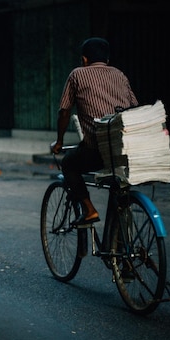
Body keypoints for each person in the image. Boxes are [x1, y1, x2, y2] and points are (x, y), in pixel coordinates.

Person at [50, 37, 137, 225]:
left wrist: (59, 142)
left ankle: (89, 210)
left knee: (69, 164)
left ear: (84, 59)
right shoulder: (119, 74)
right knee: (119, 184)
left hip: (97, 151)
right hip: (126, 149)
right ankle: (120, 246)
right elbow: (134, 107)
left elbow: (64, 112)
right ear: (107, 59)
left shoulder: (77, 74)